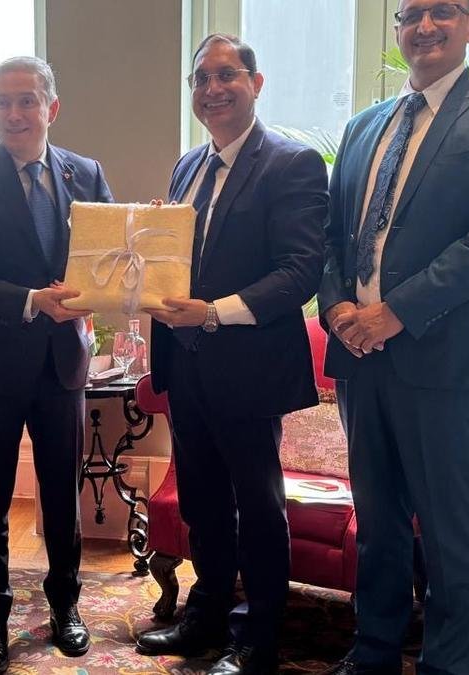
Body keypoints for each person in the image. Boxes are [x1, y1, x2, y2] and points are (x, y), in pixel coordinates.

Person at [316, 2, 469, 673]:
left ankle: (448, 664)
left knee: (451, 532)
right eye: (411, 14)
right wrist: (336, 308)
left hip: (448, 361)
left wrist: (395, 311)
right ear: (397, 29)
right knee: (378, 522)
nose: (425, 26)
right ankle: (374, 650)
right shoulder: (363, 127)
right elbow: (333, 237)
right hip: (361, 359)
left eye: (441, 11)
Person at [137, 33, 328, 675]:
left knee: (258, 507)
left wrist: (215, 312)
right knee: (203, 503)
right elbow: (181, 262)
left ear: (256, 83)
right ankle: (207, 616)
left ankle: (257, 637)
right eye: (201, 79)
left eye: (227, 76)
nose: (212, 89)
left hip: (249, 369)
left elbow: (300, 272)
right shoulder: (187, 167)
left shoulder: (292, 164)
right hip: (185, 364)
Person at [0, 55, 114, 674]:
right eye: (2, 102)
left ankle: (66, 605)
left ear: (51, 108)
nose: (15, 113)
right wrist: (34, 300)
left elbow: (110, 256)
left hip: (62, 364)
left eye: (27, 100)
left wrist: (134, 251)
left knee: (63, 493)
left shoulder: (85, 173)